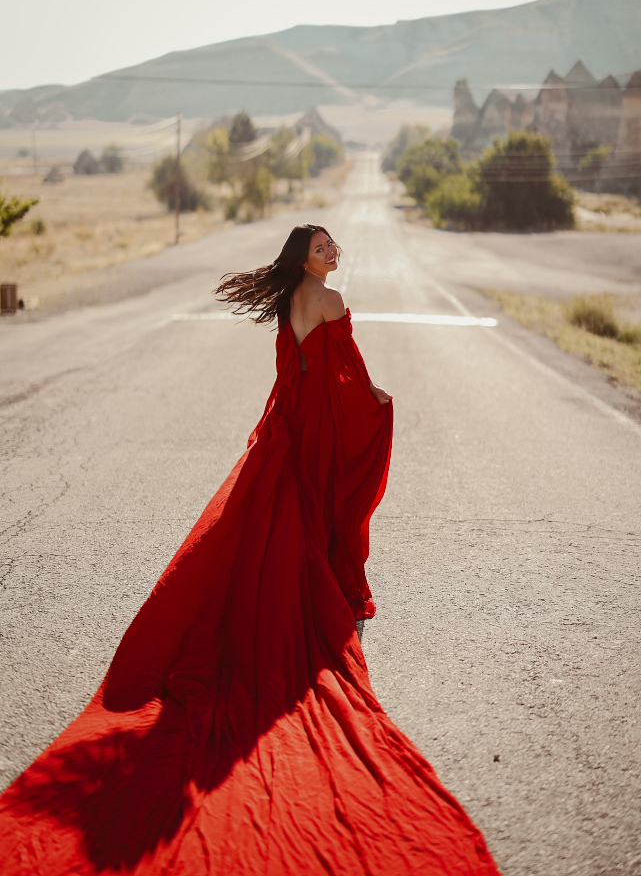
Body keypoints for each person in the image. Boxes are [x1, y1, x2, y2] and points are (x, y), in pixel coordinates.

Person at [0, 224, 500, 875]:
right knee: (327, 503)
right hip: (318, 418)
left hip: (290, 420)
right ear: (303, 257)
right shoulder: (329, 298)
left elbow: (288, 367)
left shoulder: (291, 296)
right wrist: (371, 400)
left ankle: (312, 581)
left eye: (331, 246)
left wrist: (278, 421)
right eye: (322, 248)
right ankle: (327, 589)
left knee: (277, 519)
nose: (332, 254)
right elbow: (349, 366)